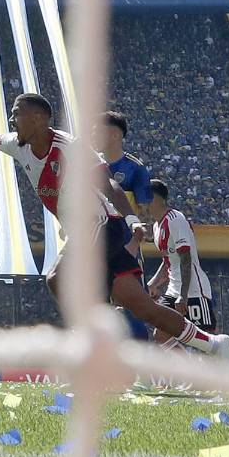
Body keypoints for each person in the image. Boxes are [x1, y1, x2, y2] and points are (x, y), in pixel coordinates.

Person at [0, 94, 229, 364]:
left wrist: (132, 221)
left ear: (39, 119)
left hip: (104, 226)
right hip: (94, 231)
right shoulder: (18, 145)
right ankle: (215, 344)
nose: (12, 119)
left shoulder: (70, 146)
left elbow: (110, 185)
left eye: (18, 113)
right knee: (140, 306)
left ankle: (95, 350)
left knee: (57, 278)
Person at [92, 110, 154, 340]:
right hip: (96, 244)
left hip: (125, 247)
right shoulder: (90, 164)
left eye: (99, 129)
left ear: (116, 135)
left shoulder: (134, 169)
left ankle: (143, 364)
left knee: (132, 305)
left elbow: (145, 214)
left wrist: (135, 243)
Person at [146, 179, 219, 340]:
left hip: (193, 291)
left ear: (159, 198)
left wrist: (183, 296)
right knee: (160, 334)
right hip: (173, 290)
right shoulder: (158, 226)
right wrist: (154, 283)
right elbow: (170, 261)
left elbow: (185, 259)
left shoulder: (175, 220)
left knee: (208, 339)